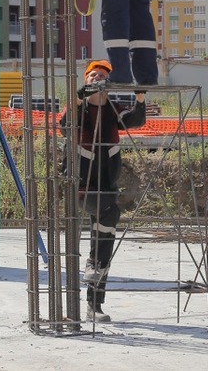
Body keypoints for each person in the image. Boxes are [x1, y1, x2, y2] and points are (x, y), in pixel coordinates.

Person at [60, 59, 147, 322]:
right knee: (108, 216)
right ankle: (92, 270)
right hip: (81, 184)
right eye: (92, 76)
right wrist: (78, 98)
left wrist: (140, 98)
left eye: (102, 76)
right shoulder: (80, 107)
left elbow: (134, 120)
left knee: (104, 238)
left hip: (106, 184)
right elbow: (66, 124)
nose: (97, 79)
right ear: (86, 80)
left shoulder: (111, 109)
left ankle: (93, 304)